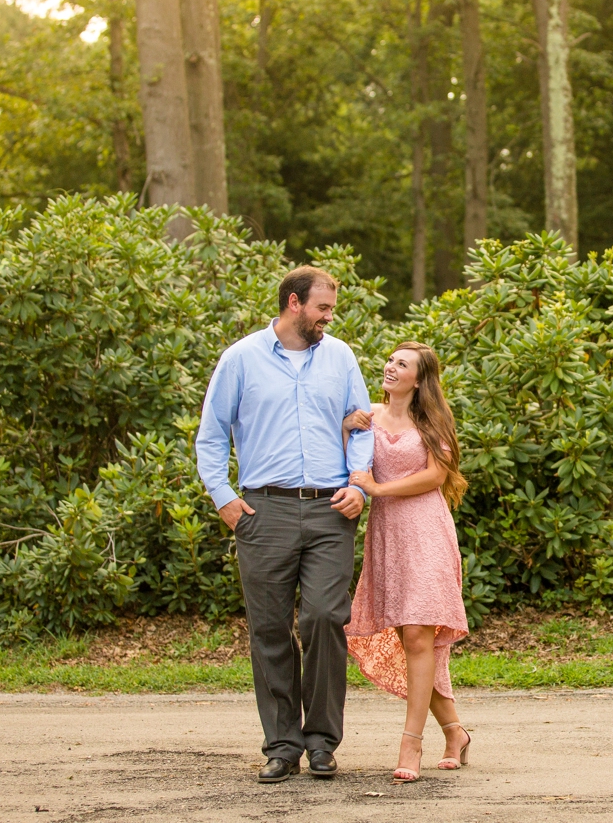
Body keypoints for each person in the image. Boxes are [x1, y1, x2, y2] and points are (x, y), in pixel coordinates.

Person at [195, 265, 373, 784]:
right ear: (294, 304)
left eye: (331, 309)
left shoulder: (339, 357)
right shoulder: (241, 359)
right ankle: (281, 745)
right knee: (270, 629)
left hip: (329, 509)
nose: (329, 317)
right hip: (263, 511)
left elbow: (363, 425)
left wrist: (359, 486)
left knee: (322, 619)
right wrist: (225, 499)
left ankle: (321, 742)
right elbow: (211, 436)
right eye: (323, 308)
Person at [344, 341, 472, 782]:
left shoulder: (433, 420)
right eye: (391, 360)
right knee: (411, 639)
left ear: (420, 379)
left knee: (419, 634)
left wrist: (378, 489)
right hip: (387, 537)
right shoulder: (368, 417)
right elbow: (348, 458)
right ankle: (455, 731)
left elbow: (437, 475)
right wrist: (345, 427)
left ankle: (410, 743)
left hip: (425, 530)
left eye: (403, 364)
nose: (391, 367)